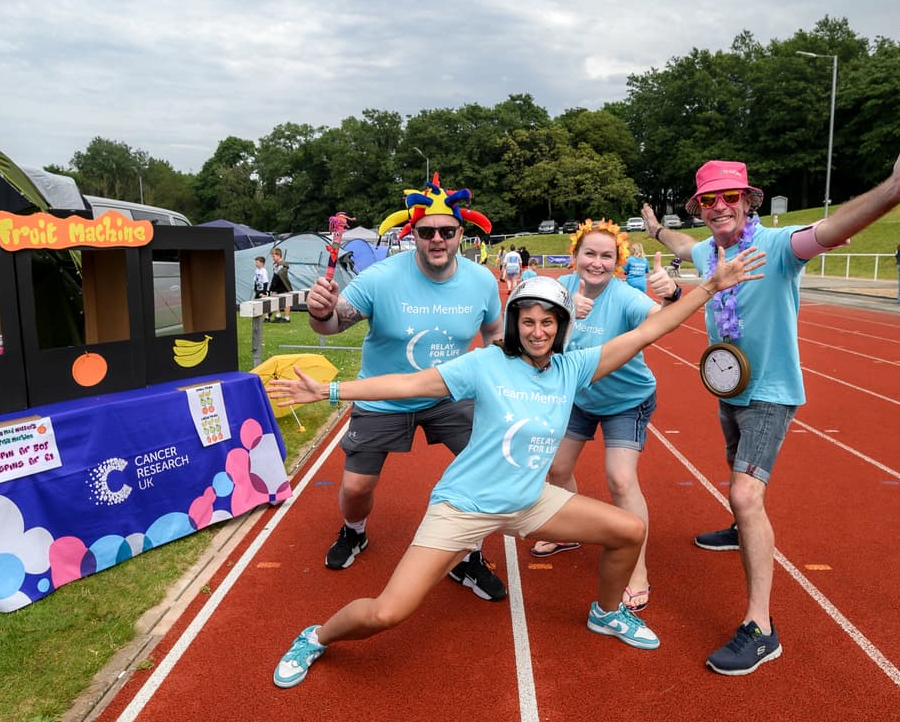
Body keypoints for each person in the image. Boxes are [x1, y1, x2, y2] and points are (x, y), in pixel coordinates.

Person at [269, 253, 766, 689]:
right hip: (465, 507)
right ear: (513, 323)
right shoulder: (485, 364)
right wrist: (332, 392)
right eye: (527, 321)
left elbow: (649, 330)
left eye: (548, 323)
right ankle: (314, 636)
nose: (537, 331)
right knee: (387, 613)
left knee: (628, 530)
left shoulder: (573, 368)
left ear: (563, 326)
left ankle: (606, 612)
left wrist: (710, 286)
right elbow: (407, 382)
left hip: (530, 502)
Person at [641, 126, 900, 675]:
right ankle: (737, 527)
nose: (720, 207)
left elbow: (833, 226)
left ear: (748, 202)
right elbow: (678, 244)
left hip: (770, 391)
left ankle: (761, 628)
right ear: (699, 208)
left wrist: (895, 188)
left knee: (747, 494)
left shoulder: (776, 247)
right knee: (735, 473)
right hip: (729, 385)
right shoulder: (704, 250)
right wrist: (656, 229)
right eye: (708, 200)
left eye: (730, 197)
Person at [303, 173, 508, 601]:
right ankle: (354, 532)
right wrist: (319, 312)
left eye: (446, 231)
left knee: (484, 469)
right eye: (427, 231)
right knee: (358, 487)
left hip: (450, 394)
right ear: (411, 234)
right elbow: (334, 321)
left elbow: (493, 333)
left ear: (460, 234)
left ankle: (468, 554)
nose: (437, 239)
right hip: (384, 394)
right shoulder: (380, 278)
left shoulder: (482, 281)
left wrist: (502, 377)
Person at [529, 220, 685, 615]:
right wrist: (565, 314)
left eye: (606, 256)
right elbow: (525, 325)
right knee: (558, 468)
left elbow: (660, 321)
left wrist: (672, 296)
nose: (597, 263)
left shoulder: (625, 296)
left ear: (616, 262)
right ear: (575, 256)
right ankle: (570, 533)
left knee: (620, 478)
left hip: (625, 399)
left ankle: (636, 568)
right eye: (590, 254)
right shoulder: (559, 289)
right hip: (579, 396)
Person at [269, 247, 293, 323]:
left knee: (287, 301)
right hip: (275, 284)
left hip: (282, 284)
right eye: (272, 256)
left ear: (279, 255)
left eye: (274, 256)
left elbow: (282, 275)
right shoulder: (275, 264)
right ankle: (278, 316)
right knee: (273, 299)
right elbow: (275, 275)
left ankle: (287, 318)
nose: (272, 258)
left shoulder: (283, 265)